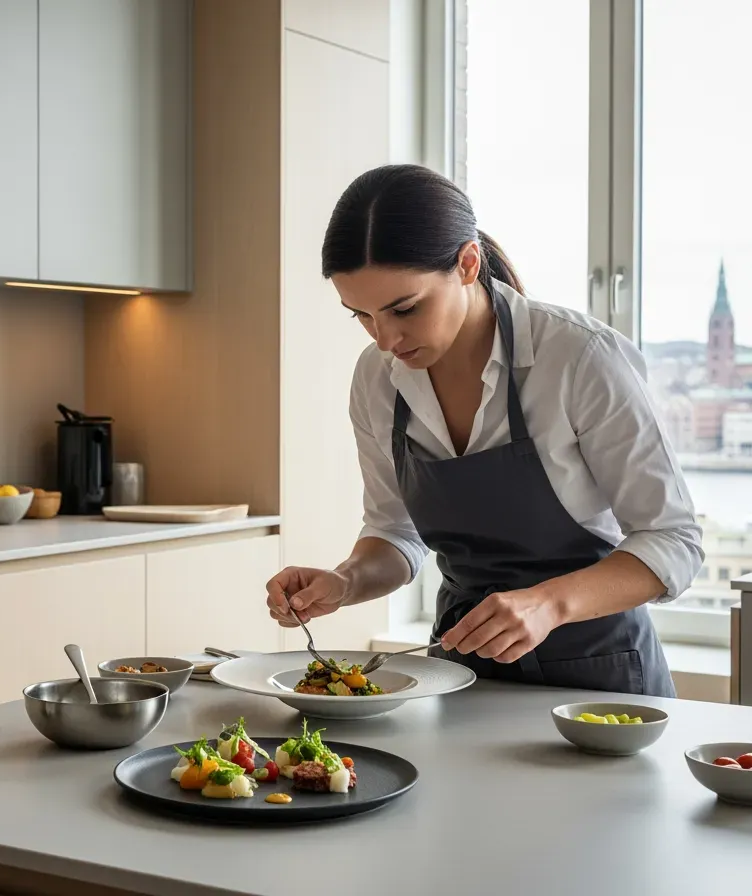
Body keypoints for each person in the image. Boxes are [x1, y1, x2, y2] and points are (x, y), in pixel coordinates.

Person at [265, 164, 704, 697]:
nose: (385, 340)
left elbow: (673, 540)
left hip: (601, 678)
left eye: (405, 308)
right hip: (462, 676)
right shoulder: (377, 379)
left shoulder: (579, 358)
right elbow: (395, 531)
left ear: (468, 263)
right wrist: (346, 580)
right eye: (360, 315)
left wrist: (548, 604)